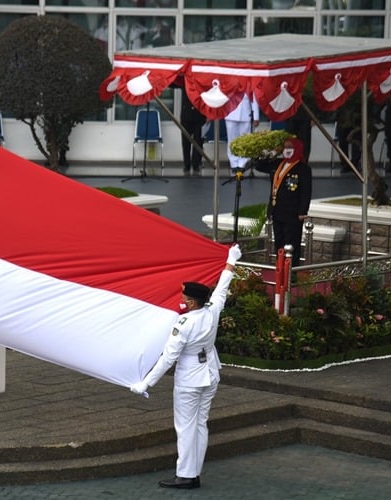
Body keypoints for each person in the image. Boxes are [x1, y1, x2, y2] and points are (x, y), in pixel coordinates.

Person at [130, 244, 241, 490]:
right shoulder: (212, 312)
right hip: (210, 374)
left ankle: (186, 476)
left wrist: (146, 383)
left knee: (185, 427)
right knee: (200, 424)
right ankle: (193, 471)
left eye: (184, 299)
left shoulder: (184, 323)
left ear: (192, 302)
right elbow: (222, 288)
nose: (182, 301)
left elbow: (168, 358)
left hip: (190, 379)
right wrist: (231, 261)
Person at [254, 137, 313, 267]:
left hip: (292, 213)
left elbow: (306, 191)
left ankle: (292, 272)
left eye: (290, 148)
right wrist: (273, 152)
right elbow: (258, 165)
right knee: (279, 242)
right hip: (277, 210)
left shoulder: (303, 168)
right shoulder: (277, 163)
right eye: (285, 148)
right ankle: (280, 269)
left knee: (291, 244)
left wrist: (303, 211)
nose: (287, 150)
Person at [224, 94, 260, 174]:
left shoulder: (249, 83)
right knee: (232, 140)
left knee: (245, 141)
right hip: (230, 113)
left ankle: (242, 164)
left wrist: (256, 117)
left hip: (245, 114)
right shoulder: (229, 82)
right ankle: (233, 164)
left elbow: (254, 99)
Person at [180, 88, 206, 177]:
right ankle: (186, 164)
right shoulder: (185, 80)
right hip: (186, 114)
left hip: (199, 115)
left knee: (198, 141)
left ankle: (196, 164)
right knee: (186, 142)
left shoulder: (201, 80)